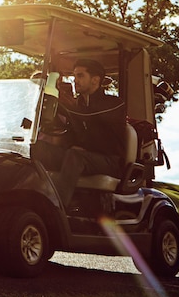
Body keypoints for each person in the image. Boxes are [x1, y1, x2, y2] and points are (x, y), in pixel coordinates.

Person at [31, 58, 126, 207]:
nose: (75, 81)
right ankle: (27, 199)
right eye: (75, 76)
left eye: (80, 76)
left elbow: (87, 115)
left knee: (75, 156)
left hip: (109, 161)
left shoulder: (113, 104)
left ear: (95, 80)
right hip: (80, 156)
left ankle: (56, 208)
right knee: (36, 148)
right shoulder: (77, 105)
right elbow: (69, 132)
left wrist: (57, 101)